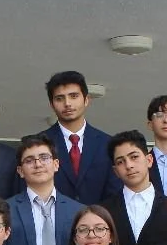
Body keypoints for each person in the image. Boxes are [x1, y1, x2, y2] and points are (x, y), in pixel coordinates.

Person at [5, 134, 83, 245]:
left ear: (56, 164)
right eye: (29, 160)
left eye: (44, 158)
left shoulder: (78, 211)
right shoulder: (6, 210)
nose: (38, 164)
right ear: (20, 171)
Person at [38, 71, 120, 205]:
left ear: (86, 100)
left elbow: (115, 193)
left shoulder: (108, 144)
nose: (67, 103)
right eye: (59, 98)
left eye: (74, 96)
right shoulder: (38, 144)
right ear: (52, 105)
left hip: (99, 217)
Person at [101, 130, 167, 245]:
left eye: (134, 157)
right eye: (120, 162)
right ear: (115, 171)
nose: (129, 165)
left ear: (149, 160)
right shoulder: (104, 211)